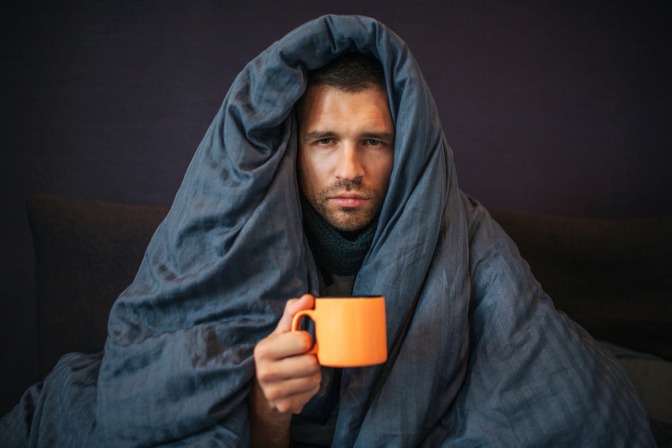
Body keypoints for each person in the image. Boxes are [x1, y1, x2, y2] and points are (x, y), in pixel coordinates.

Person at [0, 15, 656, 447]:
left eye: (374, 141)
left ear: (408, 152)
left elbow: (562, 401)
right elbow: (147, 389)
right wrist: (265, 409)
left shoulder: (462, 235)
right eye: (325, 141)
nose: (350, 169)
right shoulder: (241, 234)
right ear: (296, 146)